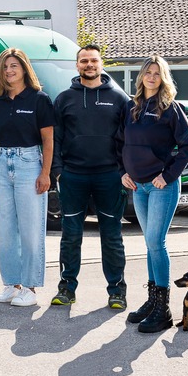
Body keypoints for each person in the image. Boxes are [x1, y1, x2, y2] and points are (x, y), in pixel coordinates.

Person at [51, 44, 131, 311]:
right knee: (70, 236)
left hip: (109, 176)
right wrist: (58, 171)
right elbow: (56, 137)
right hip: (73, 176)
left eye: (93, 61)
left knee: (111, 236)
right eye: (84, 61)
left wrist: (123, 171)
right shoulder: (64, 99)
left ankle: (117, 291)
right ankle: (66, 288)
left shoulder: (120, 98)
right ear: (77, 65)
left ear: (101, 64)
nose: (89, 65)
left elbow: (127, 139)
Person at [123, 57, 188, 336]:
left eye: (157, 73)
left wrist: (168, 175)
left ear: (164, 78)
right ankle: (152, 302)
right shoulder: (131, 108)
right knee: (149, 244)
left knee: (156, 242)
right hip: (137, 186)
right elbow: (119, 143)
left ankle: (162, 310)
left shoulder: (171, 109)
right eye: (148, 72)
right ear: (141, 77)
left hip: (161, 187)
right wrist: (122, 172)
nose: (152, 77)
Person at [0, 48, 55, 308]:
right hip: (0, 162)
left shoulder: (39, 99)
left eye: (14, 66)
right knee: (3, 229)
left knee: (30, 228)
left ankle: (30, 287)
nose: (9, 71)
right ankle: (11, 284)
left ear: (24, 68)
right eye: (5, 67)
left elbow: (48, 139)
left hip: (29, 164)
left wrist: (45, 173)